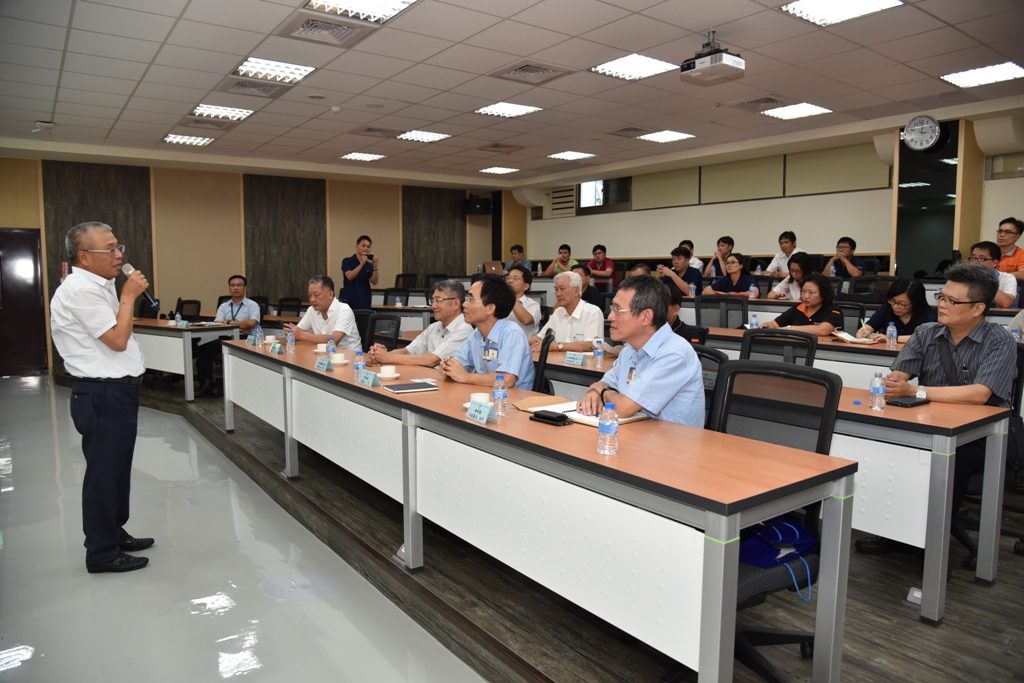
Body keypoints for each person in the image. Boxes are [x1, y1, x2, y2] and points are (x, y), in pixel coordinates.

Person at [856, 263, 1017, 554]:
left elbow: (980, 394)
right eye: (942, 297)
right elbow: (899, 375)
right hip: (932, 424)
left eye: (952, 301)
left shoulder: (998, 340)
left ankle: (932, 543)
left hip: (983, 436)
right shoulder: (926, 333)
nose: (942, 304)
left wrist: (914, 391)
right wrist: (894, 383)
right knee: (891, 446)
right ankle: (893, 528)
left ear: (978, 308)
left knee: (950, 458)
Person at [50, 221, 153, 573]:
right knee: (104, 474)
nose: (119, 254)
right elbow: (117, 340)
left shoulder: (99, 284)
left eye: (118, 247)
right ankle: (101, 552)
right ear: (84, 256)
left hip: (116, 391)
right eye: (109, 249)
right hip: (101, 392)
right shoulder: (80, 290)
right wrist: (128, 296)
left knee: (118, 470)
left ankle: (114, 532)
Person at [575, 275, 704, 427]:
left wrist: (602, 392)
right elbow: (604, 383)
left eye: (618, 310)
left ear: (646, 317)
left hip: (672, 440)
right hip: (637, 433)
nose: (610, 317)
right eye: (612, 309)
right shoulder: (629, 350)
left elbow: (623, 408)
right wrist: (594, 392)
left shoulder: (675, 353)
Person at [440, 274, 534, 389]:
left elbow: (507, 380)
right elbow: (458, 364)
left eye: (470, 300)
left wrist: (465, 377)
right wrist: (447, 367)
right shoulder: (476, 334)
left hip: (513, 398)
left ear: (490, 308)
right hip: (485, 394)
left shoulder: (512, 333)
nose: (464, 304)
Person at [368, 279, 470, 368]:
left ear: (456, 303)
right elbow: (407, 351)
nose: (433, 306)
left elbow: (432, 360)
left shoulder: (464, 330)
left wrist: (388, 357)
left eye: (438, 300)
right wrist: (380, 355)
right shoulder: (434, 327)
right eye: (433, 301)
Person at [195, 274, 261, 398]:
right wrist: (241, 325)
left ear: (245, 288)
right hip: (227, 338)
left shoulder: (252, 305)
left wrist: (229, 322)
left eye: (239, 285)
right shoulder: (224, 306)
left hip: (246, 340)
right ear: (229, 288)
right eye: (232, 285)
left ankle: (235, 385)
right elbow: (218, 324)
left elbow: (251, 324)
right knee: (204, 348)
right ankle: (206, 384)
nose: (235, 288)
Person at [529, 271, 604, 353]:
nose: (558, 294)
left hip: (584, 361)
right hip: (558, 360)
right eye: (556, 289)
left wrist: (556, 346)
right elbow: (540, 338)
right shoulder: (558, 312)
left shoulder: (593, 312)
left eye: (562, 289)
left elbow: (591, 345)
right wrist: (521, 340)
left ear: (576, 291)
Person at [285, 275, 361, 350]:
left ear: (330, 294)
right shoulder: (311, 310)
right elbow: (298, 332)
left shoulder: (343, 309)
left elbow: (335, 339)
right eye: (310, 295)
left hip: (350, 356)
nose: (312, 300)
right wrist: (294, 333)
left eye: (316, 295)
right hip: (324, 354)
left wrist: (303, 335)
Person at [855, 278, 936, 342]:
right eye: (893, 301)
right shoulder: (886, 308)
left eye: (902, 304)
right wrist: (865, 331)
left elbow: (925, 337)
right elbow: (870, 326)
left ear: (916, 302)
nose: (895, 307)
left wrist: (892, 338)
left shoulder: (929, 315)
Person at [760, 274, 843, 337]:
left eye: (811, 292)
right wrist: (766, 325)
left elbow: (822, 330)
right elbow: (775, 324)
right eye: (803, 291)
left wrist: (790, 329)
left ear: (823, 295)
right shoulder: (798, 308)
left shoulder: (833, 311)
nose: (806, 296)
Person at [967, 241, 1017, 308]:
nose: (975, 262)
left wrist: (982, 279)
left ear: (995, 263)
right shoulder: (965, 278)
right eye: (973, 258)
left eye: (981, 258)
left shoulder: (1007, 278)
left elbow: (1006, 303)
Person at [342, 235, 378, 310]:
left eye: (368, 247)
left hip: (365, 302)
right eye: (363, 246)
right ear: (357, 246)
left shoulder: (369, 265)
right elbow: (349, 276)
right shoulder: (347, 261)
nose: (365, 249)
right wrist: (362, 264)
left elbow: (374, 281)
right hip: (350, 302)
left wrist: (375, 267)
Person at [505, 265, 541, 337]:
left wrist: (511, 297)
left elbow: (526, 320)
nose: (510, 281)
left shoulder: (533, 304)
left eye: (516, 278)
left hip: (525, 343)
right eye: (508, 278)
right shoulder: (499, 302)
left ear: (526, 286)